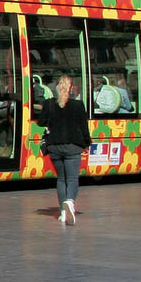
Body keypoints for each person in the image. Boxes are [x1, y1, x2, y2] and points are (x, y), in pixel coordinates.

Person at [34, 72, 90, 226]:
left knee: (61, 179)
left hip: (54, 146)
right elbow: (84, 127)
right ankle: (70, 202)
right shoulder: (78, 105)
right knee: (72, 178)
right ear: (70, 88)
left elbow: (41, 122)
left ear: (56, 88)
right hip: (73, 146)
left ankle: (63, 212)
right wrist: (87, 144)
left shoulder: (49, 104)